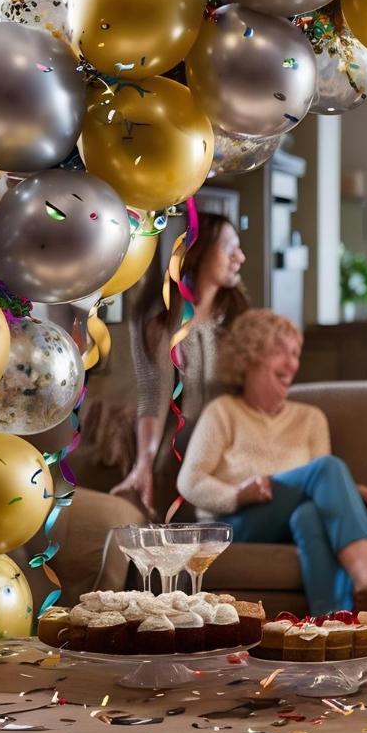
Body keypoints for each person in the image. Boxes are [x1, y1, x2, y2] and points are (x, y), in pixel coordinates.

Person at [177, 309, 367, 627]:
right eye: (281, 351)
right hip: (236, 522)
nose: (292, 363)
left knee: (310, 513)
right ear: (250, 355)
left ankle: (331, 625)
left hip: (290, 520)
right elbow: (190, 481)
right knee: (325, 468)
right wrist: (238, 495)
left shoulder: (310, 419)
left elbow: (323, 490)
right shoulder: (223, 412)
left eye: (296, 353)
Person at [114, 212, 249, 518]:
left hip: (234, 437)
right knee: (178, 455)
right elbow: (153, 393)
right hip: (184, 442)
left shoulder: (238, 315)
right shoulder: (158, 320)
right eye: (229, 247)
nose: (240, 257)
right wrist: (143, 463)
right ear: (196, 252)